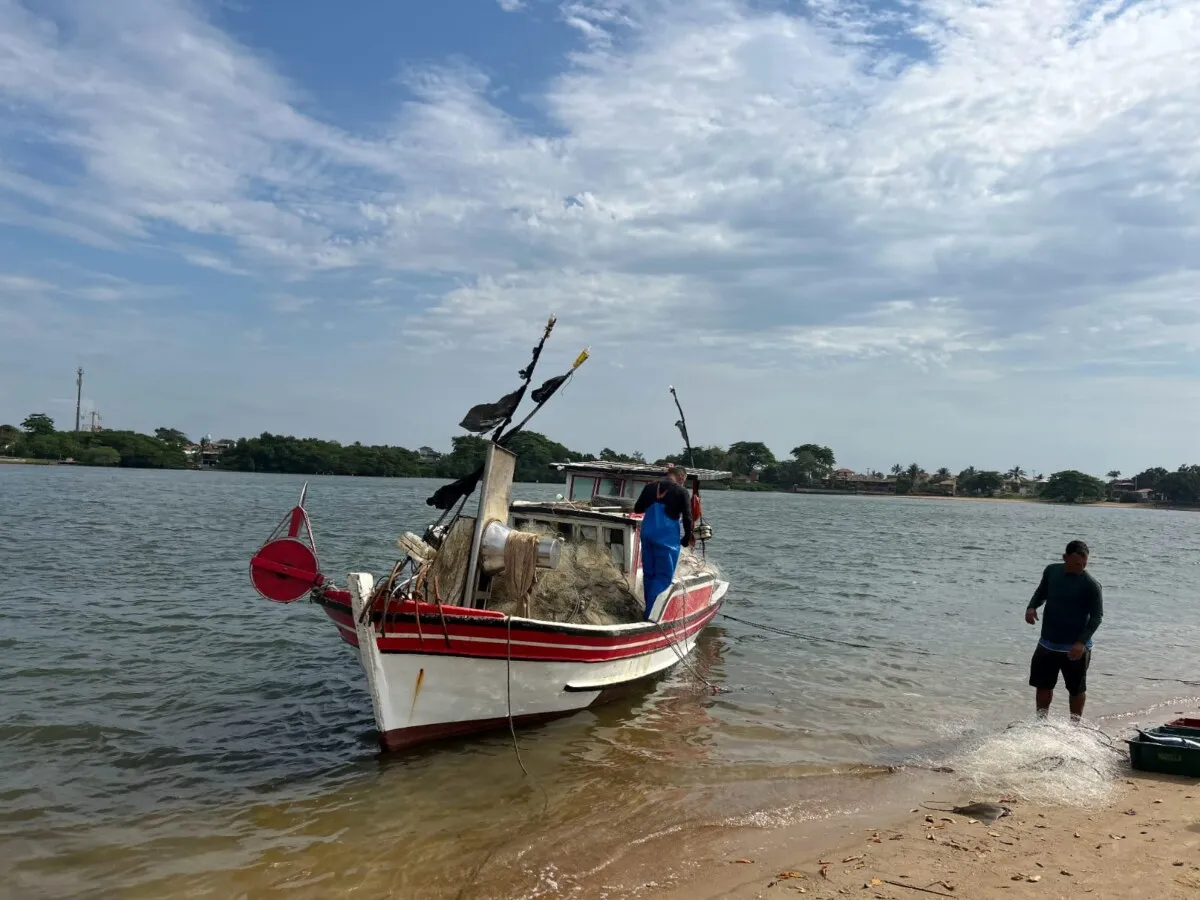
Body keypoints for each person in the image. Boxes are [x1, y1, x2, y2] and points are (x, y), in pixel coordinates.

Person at [1025, 539, 1104, 721]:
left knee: (1076, 689)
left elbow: (1097, 617)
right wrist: (1031, 607)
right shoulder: (1052, 571)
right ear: (1065, 558)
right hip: (1047, 644)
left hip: (1074, 648)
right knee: (1043, 686)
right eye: (1077, 563)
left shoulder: (1091, 585)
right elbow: (1041, 592)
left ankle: (1075, 726)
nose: (1081, 568)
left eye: (1084, 564)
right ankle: (1041, 723)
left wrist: (1081, 643)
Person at [633, 465, 694, 619]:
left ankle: (648, 610)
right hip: (666, 539)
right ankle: (654, 615)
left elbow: (638, 508)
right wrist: (687, 537)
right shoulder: (681, 491)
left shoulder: (649, 487)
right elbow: (687, 517)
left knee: (649, 575)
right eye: (684, 480)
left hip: (647, 536)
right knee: (663, 577)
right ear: (681, 478)